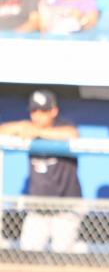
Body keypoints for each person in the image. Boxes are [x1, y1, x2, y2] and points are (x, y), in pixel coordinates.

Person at [0, 90, 82, 252]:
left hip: (65, 207)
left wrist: (38, 132)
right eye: (34, 111)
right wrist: (23, 126)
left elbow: (73, 135)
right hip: (37, 208)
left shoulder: (63, 127)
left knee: (62, 255)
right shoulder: (27, 128)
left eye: (43, 111)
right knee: (28, 254)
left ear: (53, 111)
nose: (38, 115)